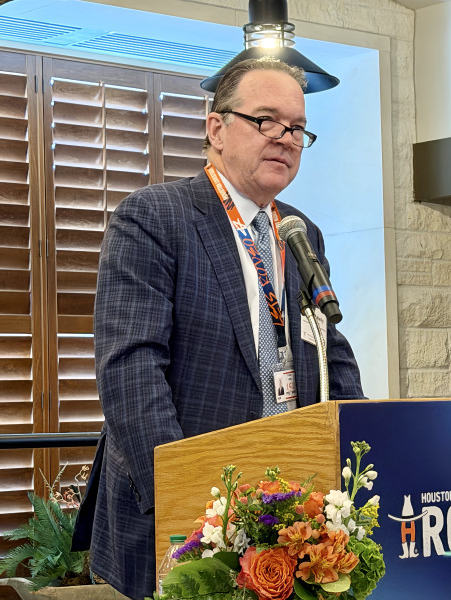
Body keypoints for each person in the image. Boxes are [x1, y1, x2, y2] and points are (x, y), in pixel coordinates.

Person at [79, 57, 364, 600]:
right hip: (187, 519)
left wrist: (364, 457)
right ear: (216, 128)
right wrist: (189, 504)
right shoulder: (154, 217)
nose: (284, 139)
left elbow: (331, 352)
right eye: (266, 120)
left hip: (284, 515)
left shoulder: (300, 232)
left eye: (297, 128)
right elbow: (132, 373)